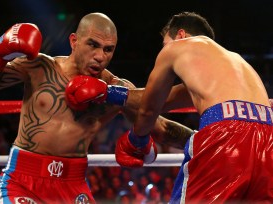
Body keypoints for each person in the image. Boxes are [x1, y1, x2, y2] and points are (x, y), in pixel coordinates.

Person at [0, 12, 193, 203]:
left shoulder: (115, 89)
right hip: (23, 180)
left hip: (73, 184)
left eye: (108, 49)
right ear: (74, 41)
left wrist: (203, 139)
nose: (100, 56)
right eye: (93, 45)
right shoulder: (40, 67)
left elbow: (159, 126)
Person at [115, 11, 273, 203]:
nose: (164, 48)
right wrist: (109, 93)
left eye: (165, 43)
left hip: (226, 135)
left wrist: (136, 138)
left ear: (180, 35)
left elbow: (149, 109)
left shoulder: (177, 48)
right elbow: (163, 100)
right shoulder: (235, 62)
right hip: (267, 138)